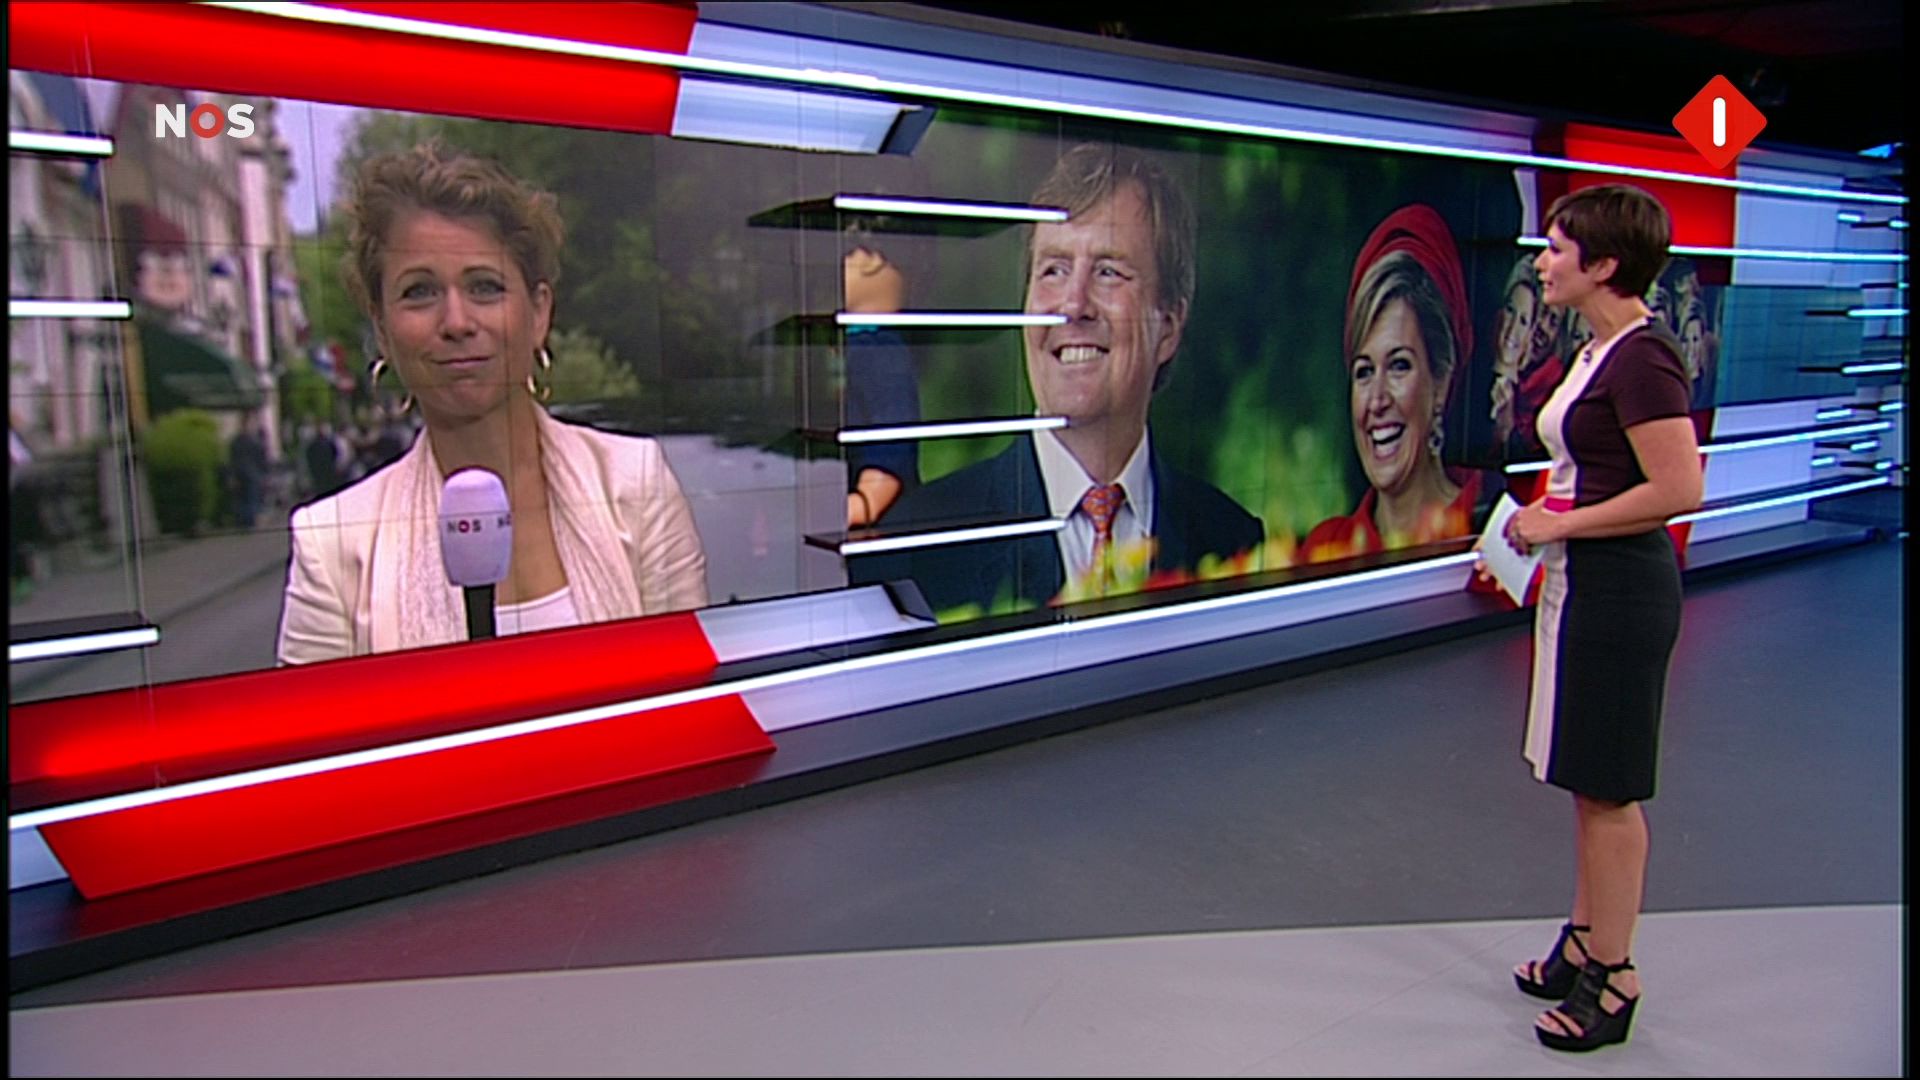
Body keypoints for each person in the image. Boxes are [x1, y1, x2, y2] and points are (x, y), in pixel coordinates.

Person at [276, 142, 707, 663]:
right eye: (419, 292)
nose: (457, 322)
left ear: (539, 313)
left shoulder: (635, 483)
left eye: (485, 286)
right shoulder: (331, 545)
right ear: (382, 331)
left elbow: (690, 693)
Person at [858, 144, 1261, 615]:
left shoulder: (1232, 542)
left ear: (1168, 326)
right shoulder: (913, 549)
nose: (1072, 304)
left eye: (1108, 272)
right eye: (1054, 270)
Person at [1486, 184, 1703, 1052]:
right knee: (1586, 778)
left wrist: (1561, 524)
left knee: (1610, 789)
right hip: (1579, 585)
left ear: (1604, 264)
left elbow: (1679, 488)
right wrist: (1537, 527)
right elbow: (1595, 471)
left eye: (1557, 248)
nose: (1542, 262)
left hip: (1620, 593)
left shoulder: (1645, 359)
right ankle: (1582, 939)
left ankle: (1614, 975)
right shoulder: (1595, 351)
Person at [1300, 205, 1480, 562]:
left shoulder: (1491, 527)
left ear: (1441, 383)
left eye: (1399, 366)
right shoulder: (1325, 549)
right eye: (1364, 372)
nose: (1377, 401)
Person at [841, 216, 921, 528]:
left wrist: (867, 501)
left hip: (881, 523)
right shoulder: (857, 345)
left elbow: (893, 435)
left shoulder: (878, 350)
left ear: (870, 261)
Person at [227, 414, 270, 529]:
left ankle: (246, 521)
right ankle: (247, 521)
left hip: (248, 475)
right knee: (247, 498)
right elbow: (261, 459)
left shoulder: (238, 442)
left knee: (247, 498)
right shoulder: (251, 442)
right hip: (250, 475)